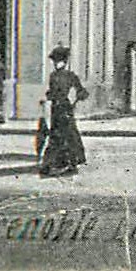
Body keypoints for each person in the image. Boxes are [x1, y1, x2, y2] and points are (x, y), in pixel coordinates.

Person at [37, 46, 88, 177]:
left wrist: (76, 98)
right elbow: (53, 92)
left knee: (64, 136)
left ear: (64, 62)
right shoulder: (57, 76)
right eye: (55, 61)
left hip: (63, 108)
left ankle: (63, 163)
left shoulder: (66, 76)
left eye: (58, 61)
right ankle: (56, 163)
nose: (56, 64)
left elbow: (81, 91)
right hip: (60, 108)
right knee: (60, 135)